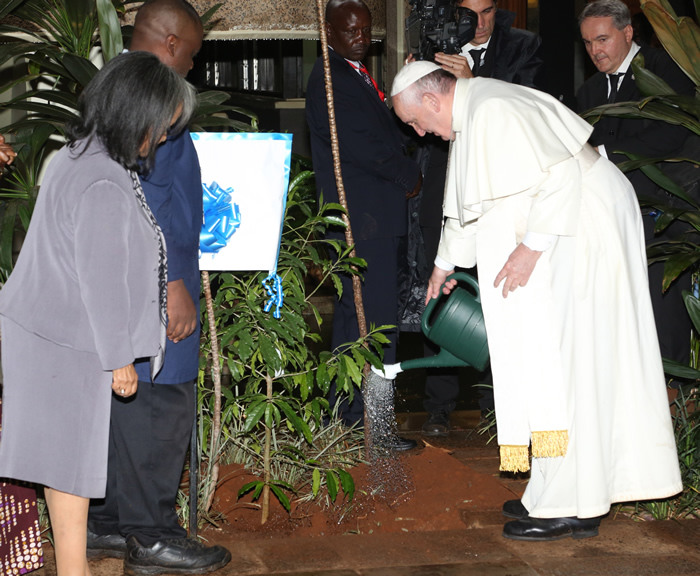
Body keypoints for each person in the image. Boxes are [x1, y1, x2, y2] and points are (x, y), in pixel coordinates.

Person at [391, 60, 682, 541]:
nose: (419, 132)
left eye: (416, 121)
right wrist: (443, 266)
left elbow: (561, 172)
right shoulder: (474, 111)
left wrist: (531, 248)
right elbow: (474, 207)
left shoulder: (491, 110)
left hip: (584, 227)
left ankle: (577, 504)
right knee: (556, 363)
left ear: (431, 99)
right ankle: (552, 488)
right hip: (571, 227)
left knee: (573, 361)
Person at [0, 50, 196, 575]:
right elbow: (102, 279)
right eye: (161, 126)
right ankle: (73, 571)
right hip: (64, 339)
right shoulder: (105, 180)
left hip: (41, 329)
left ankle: (74, 568)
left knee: (64, 466)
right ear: (137, 115)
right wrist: (120, 360)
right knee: (70, 464)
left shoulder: (77, 155)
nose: (160, 138)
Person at [87, 1, 232, 574]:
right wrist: (173, 281)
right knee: (162, 403)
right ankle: (151, 537)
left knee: (127, 407)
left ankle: (108, 522)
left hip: (126, 280)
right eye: (193, 54)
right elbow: (151, 197)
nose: (192, 67)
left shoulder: (108, 85)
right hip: (154, 281)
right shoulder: (150, 93)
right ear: (171, 44)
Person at [405, 0, 544, 437]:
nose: (478, 22)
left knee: (499, 294)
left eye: (485, 12)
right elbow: (417, 125)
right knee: (444, 292)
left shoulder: (524, 45)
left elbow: (528, 103)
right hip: (444, 192)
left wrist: (471, 82)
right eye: (468, 13)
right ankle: (440, 405)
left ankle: (497, 403)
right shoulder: (433, 48)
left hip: (507, 198)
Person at [306, 0, 421, 447]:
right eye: (350, 29)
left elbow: (382, 131)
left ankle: (350, 418)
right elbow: (363, 146)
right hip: (363, 220)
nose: (361, 37)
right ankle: (375, 425)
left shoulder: (353, 73)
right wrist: (408, 176)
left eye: (366, 29)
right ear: (330, 32)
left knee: (358, 321)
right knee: (376, 324)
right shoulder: (331, 79)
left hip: (371, 218)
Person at [576, 0, 696, 373]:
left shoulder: (667, 70)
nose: (595, 50)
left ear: (628, 33)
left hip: (663, 216)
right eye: (588, 43)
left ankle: (675, 395)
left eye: (602, 39)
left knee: (663, 309)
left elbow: (672, 132)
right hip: (609, 219)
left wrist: (603, 154)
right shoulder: (590, 91)